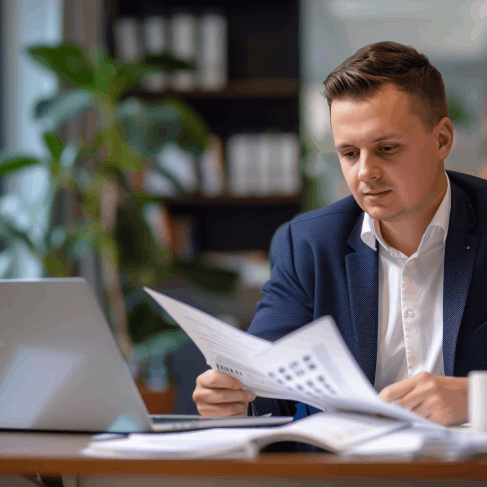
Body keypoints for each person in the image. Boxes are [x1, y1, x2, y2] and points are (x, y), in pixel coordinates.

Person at [193, 41, 487, 426]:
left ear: (442, 140)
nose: (365, 172)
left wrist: (475, 399)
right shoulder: (309, 244)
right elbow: (265, 385)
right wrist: (233, 398)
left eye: (386, 148)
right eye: (349, 154)